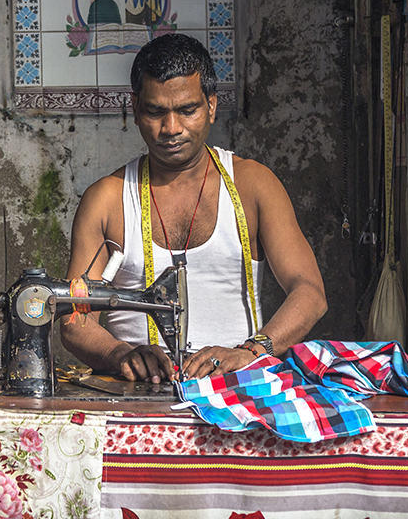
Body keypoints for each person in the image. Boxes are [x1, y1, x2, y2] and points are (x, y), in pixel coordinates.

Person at [60, 33, 326, 383]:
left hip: (240, 388)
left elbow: (309, 291)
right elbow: (75, 317)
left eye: (187, 110)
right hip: (138, 392)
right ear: (136, 108)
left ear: (211, 106)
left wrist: (251, 351)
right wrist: (120, 353)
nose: (171, 128)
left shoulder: (253, 186)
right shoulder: (107, 200)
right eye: (155, 112)